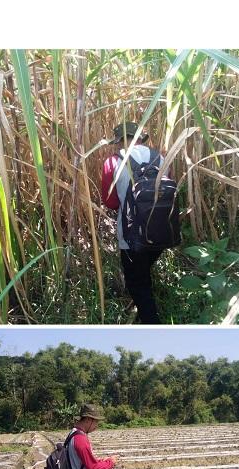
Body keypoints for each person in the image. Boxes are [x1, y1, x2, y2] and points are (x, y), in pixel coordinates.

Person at [101, 121, 164, 324]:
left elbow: (110, 202)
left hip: (130, 235)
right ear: (139, 137)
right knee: (144, 268)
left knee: (137, 283)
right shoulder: (160, 157)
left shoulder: (112, 163)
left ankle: (151, 324)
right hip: (161, 231)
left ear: (119, 140)